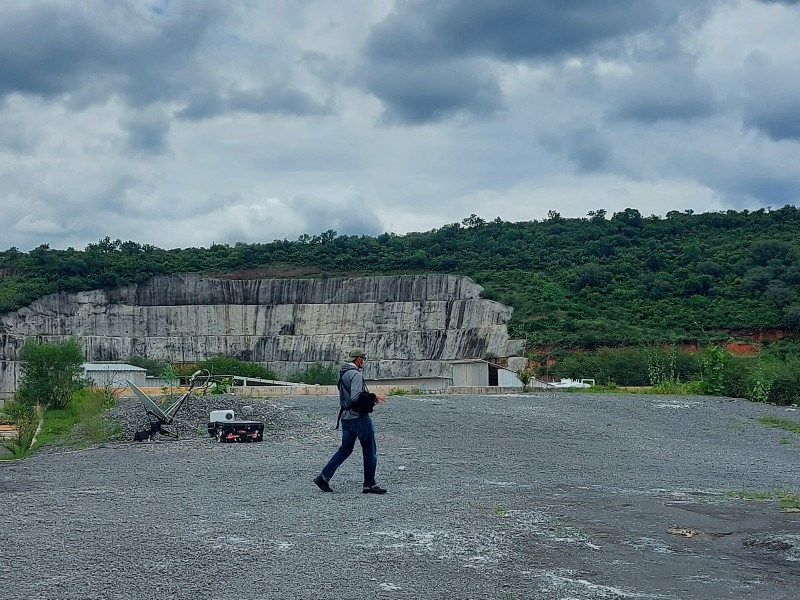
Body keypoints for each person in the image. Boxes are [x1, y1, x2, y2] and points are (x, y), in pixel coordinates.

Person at [314, 347, 387, 494]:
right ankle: (369, 484)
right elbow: (355, 397)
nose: (363, 363)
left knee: (345, 450)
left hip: (345, 418)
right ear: (359, 359)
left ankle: (324, 477)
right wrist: (372, 397)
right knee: (369, 450)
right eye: (363, 360)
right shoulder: (355, 375)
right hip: (359, 418)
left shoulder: (342, 373)